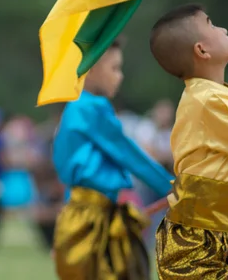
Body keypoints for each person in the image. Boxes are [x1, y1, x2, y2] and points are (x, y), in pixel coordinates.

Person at [53, 38, 174, 279]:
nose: (120, 77)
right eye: (114, 68)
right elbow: (127, 153)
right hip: (94, 218)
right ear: (92, 69)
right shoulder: (92, 108)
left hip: (78, 213)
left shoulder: (74, 107)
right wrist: (172, 187)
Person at [151, 4, 228, 279]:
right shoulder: (206, 100)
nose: (223, 29)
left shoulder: (224, 95)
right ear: (202, 50)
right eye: (212, 24)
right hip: (199, 237)